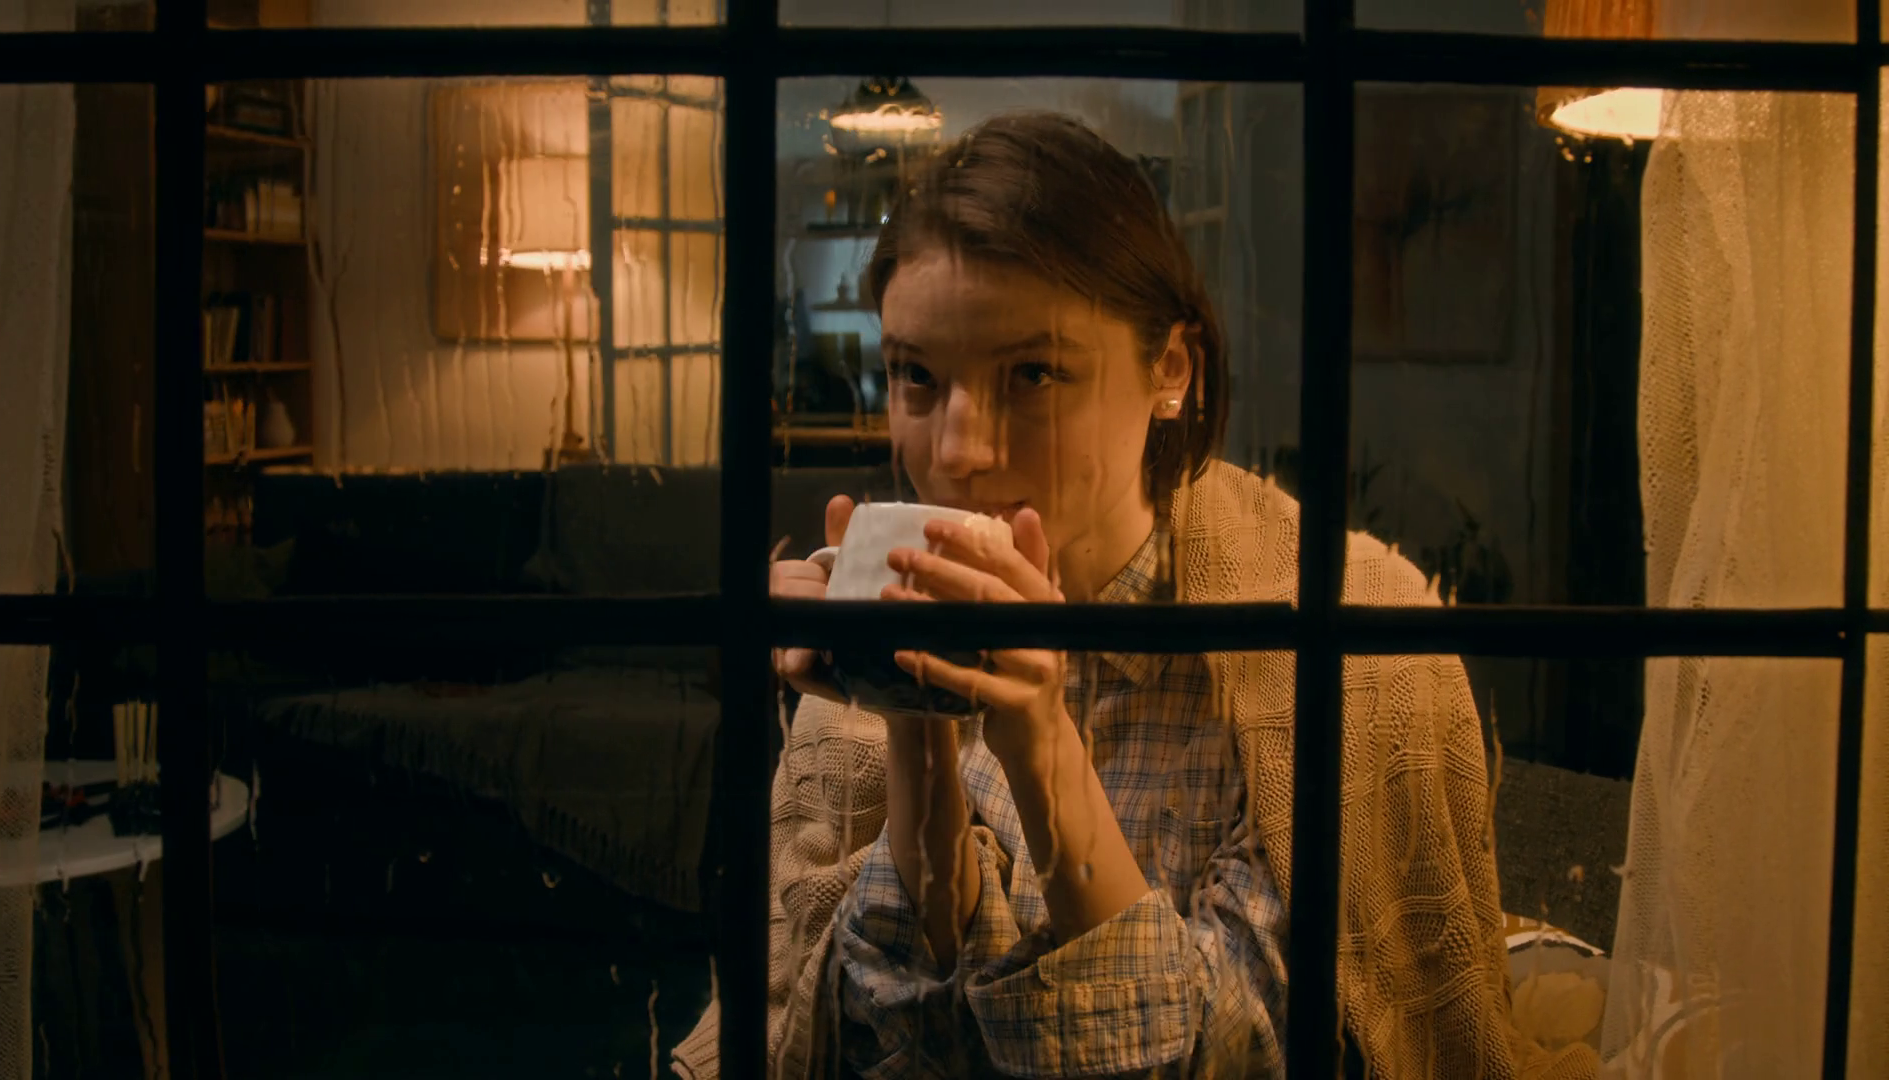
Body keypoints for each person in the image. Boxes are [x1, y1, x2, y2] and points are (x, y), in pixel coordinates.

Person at [674, 111, 1599, 1080]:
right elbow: (886, 1043)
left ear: (1170, 371)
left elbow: (1241, 1057)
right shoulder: (876, 616)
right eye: (915, 375)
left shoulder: (1331, 641)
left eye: (1032, 374)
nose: (956, 450)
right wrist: (909, 710)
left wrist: (1043, 744)